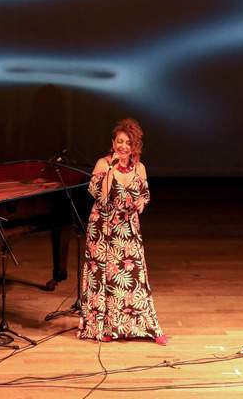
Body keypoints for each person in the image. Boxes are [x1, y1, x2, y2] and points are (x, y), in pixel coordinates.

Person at [77, 118, 167, 345]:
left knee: (134, 278)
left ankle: (147, 327)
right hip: (103, 229)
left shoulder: (140, 168)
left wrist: (141, 205)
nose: (123, 146)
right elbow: (102, 197)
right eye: (119, 141)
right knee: (105, 278)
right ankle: (107, 328)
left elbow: (145, 195)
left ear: (134, 146)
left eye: (128, 143)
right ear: (113, 143)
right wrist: (110, 169)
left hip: (127, 229)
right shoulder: (102, 164)